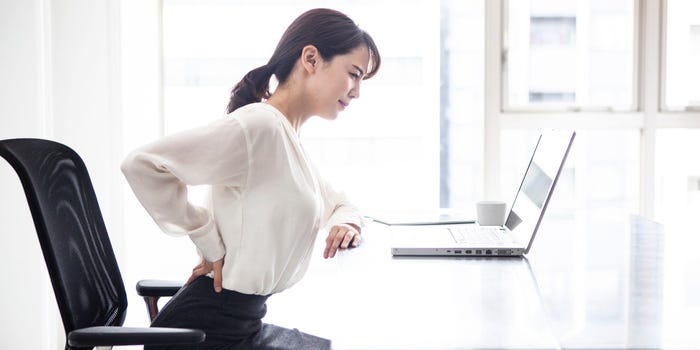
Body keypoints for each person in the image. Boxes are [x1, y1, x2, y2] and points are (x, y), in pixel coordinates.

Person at [121, 7, 381, 350]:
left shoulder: (285, 136)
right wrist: (206, 237)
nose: (357, 91)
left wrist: (349, 224)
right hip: (207, 332)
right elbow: (142, 164)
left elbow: (342, 204)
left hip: (238, 324)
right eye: (354, 74)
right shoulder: (260, 127)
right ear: (311, 59)